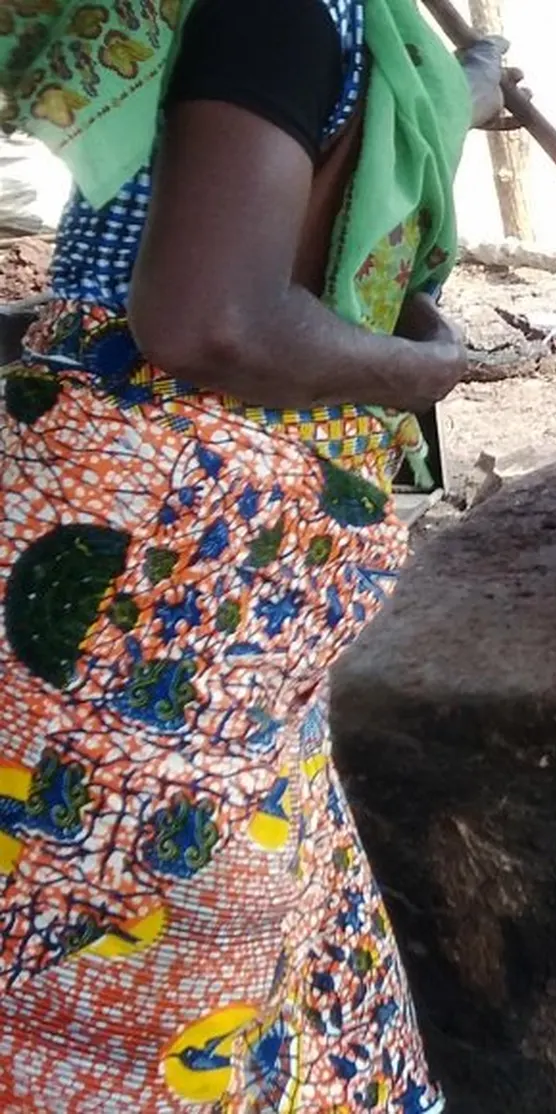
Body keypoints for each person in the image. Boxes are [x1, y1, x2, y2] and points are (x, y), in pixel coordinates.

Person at [0, 0, 510, 1108]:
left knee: (240, 898)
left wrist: (457, 90)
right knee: (153, 945)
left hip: (136, 527)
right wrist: (407, 372)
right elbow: (207, 321)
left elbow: (307, 107)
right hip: (159, 545)